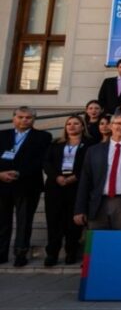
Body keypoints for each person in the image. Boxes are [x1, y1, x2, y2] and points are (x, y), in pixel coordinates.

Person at [74, 113, 121, 231]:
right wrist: (80, 209)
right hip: (98, 203)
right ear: (110, 126)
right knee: (97, 244)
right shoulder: (94, 150)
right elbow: (85, 180)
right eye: (118, 123)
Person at [0, 107, 53, 266]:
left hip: (28, 185)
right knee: (2, 221)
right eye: (21, 117)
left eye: (28, 117)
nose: (24, 120)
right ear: (13, 118)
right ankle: (2, 253)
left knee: (24, 221)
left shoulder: (43, 137)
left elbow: (40, 160)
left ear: (34, 120)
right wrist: (1, 173)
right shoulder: (2, 135)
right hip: (2, 184)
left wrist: (19, 173)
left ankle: (20, 254)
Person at [42, 115, 92, 266]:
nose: (71, 126)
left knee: (73, 222)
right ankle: (52, 253)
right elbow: (46, 162)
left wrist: (75, 177)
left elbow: (88, 164)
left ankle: (71, 251)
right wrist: (57, 176)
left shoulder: (89, 144)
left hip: (76, 187)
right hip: (55, 187)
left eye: (76, 123)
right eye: (69, 124)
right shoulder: (56, 143)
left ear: (83, 126)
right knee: (54, 221)